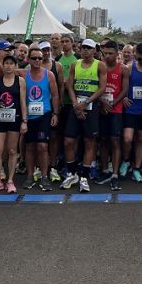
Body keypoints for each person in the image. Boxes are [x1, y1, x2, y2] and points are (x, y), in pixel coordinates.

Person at [61, 39, 107, 192]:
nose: (85, 50)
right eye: (83, 48)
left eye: (89, 48)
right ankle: (72, 172)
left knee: (89, 142)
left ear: (94, 50)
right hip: (76, 107)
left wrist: (86, 102)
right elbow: (70, 85)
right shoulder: (75, 64)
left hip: (91, 106)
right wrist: (76, 104)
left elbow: (102, 88)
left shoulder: (99, 65)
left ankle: (84, 176)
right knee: (68, 141)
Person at [0, 54, 27, 194]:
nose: (9, 66)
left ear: (15, 66)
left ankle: (10, 181)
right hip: (0, 119)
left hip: (14, 119)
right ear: (3, 65)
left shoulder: (20, 81)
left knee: (12, 151)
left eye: (11, 63)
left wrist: (24, 121)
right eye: (6, 63)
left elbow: (23, 102)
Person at [24, 47, 60, 191]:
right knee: (29, 146)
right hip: (29, 115)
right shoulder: (23, 74)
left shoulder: (49, 75)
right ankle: (30, 176)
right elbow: (4, 72)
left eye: (40, 58)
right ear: (28, 60)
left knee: (43, 146)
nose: (38, 60)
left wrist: (55, 114)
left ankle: (44, 177)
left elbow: (56, 95)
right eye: (34, 58)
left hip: (44, 115)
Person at [97, 40, 129, 190]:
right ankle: (104, 170)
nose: (107, 56)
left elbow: (125, 90)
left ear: (117, 54)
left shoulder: (123, 69)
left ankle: (115, 174)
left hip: (116, 110)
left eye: (110, 53)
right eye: (105, 53)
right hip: (101, 108)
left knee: (115, 140)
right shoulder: (98, 66)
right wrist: (103, 102)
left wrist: (113, 103)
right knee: (103, 140)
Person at [121, 43, 142, 182]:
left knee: (141, 140)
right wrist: (123, 97)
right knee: (127, 138)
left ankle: (137, 168)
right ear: (135, 56)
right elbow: (123, 87)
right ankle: (126, 160)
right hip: (131, 109)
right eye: (139, 59)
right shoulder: (129, 68)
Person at [50, 34, 79, 182]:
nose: (64, 44)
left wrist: (70, 83)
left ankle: (74, 163)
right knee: (60, 135)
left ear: (72, 43)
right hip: (62, 102)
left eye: (67, 41)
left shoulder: (78, 59)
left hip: (75, 102)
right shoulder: (57, 61)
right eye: (62, 42)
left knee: (73, 136)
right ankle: (60, 162)